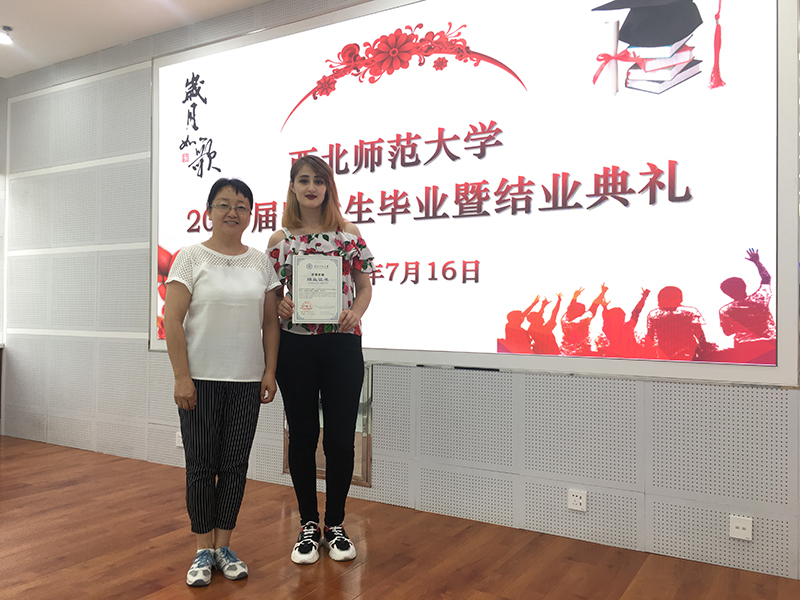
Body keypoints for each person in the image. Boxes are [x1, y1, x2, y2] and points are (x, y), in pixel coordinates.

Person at [164, 178, 281, 587]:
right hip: (200, 380)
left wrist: (269, 371)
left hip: (246, 381)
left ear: (250, 215)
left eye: (241, 206)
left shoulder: (261, 263)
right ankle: (202, 549)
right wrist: (181, 377)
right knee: (200, 466)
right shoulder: (190, 257)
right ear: (209, 211)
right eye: (224, 204)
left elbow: (270, 323)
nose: (233, 212)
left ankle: (224, 546)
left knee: (234, 466)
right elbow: (172, 320)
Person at [267, 155, 374, 565]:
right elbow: (273, 298)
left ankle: (336, 524)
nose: (311, 187)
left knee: (341, 439)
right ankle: (308, 525)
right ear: (293, 187)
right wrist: (282, 305)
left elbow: (365, 286)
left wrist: (356, 312)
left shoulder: (348, 233)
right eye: (303, 180)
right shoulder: (280, 240)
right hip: (296, 347)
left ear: (328, 187)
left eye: (319, 180)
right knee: (303, 435)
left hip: (341, 346)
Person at [718, 248, 776, 364]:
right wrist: (757, 262)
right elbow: (766, 278)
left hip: (744, 347)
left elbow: (727, 332)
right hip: (769, 343)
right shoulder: (760, 298)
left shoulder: (726, 310)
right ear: (744, 286)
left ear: (727, 293)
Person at [645, 285, 708, 361]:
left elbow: (650, 337)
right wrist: (704, 350)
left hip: (664, 353)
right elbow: (699, 334)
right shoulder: (690, 311)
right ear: (680, 298)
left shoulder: (654, 314)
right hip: (687, 353)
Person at [561, 285, 607, 356]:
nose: (583, 312)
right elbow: (571, 309)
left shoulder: (579, 320)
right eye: (582, 311)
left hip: (579, 349)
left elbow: (594, 306)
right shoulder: (570, 322)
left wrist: (602, 293)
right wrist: (574, 298)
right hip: (573, 351)